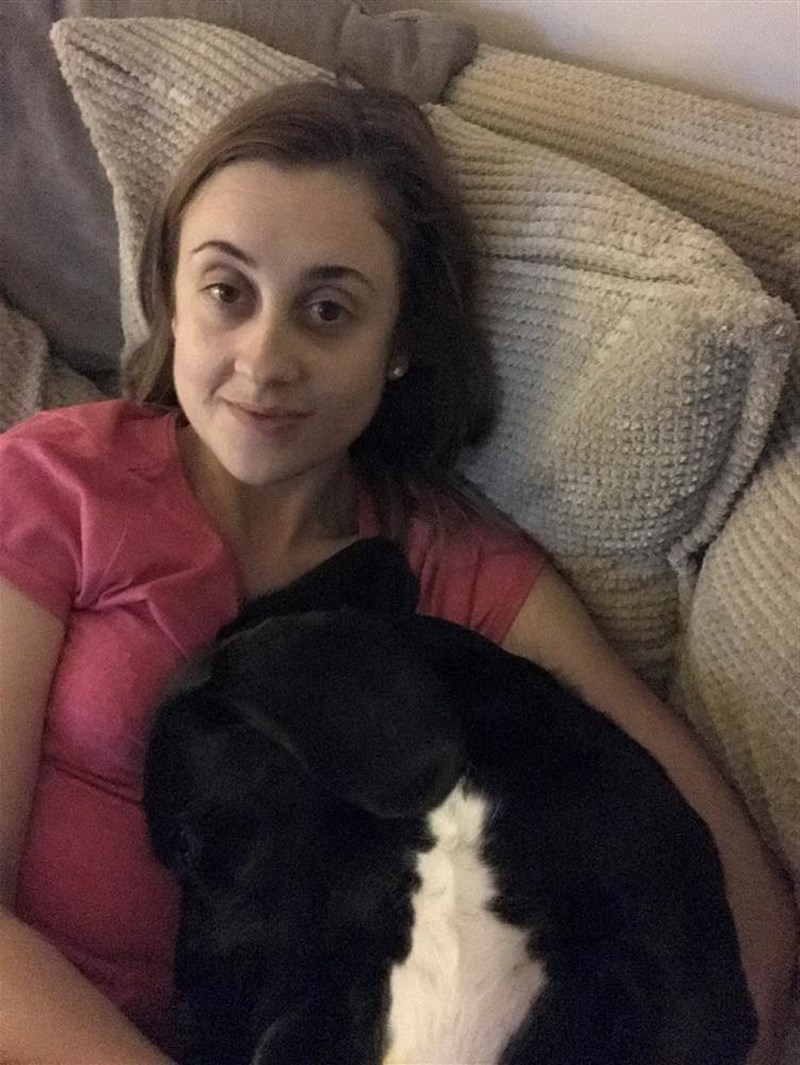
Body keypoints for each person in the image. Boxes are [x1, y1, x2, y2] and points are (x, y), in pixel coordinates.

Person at [0, 80, 795, 1065]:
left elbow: (735, 882)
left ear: (401, 343)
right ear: (170, 295)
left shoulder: (447, 562)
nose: (265, 357)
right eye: (227, 292)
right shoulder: (60, 481)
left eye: (328, 310)